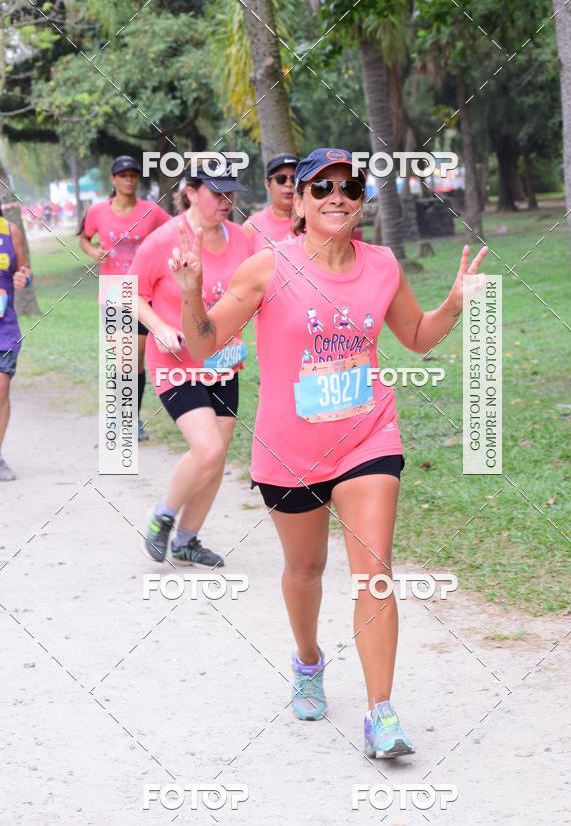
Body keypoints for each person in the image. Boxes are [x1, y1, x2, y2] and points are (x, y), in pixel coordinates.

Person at [170, 147, 489, 757]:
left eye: (350, 187)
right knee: (306, 570)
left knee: (374, 572)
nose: (337, 197)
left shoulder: (383, 265)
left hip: (367, 436)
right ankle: (309, 660)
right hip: (289, 449)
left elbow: (415, 336)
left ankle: (381, 713)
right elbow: (204, 344)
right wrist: (189, 294)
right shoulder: (267, 268)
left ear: (362, 200)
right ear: (300, 201)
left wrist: (453, 305)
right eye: (322, 188)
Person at [130, 163, 253, 566]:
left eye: (230, 193)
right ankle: (162, 515)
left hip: (223, 360)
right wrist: (160, 326)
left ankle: (186, 539)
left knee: (216, 456)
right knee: (208, 447)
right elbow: (128, 294)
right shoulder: (163, 240)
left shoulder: (242, 239)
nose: (226, 201)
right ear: (191, 193)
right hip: (175, 362)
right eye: (217, 193)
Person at [79, 155, 170, 440]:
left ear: (137, 179)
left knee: (135, 358)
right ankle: (117, 416)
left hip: (143, 293)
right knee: (122, 359)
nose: (129, 180)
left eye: (133, 175)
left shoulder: (151, 211)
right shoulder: (97, 211)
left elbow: (174, 232)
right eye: (123, 175)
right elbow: (83, 238)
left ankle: (132, 418)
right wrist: (94, 252)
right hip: (113, 292)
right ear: (113, 179)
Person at [0, 209, 33, 480]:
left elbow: (26, 270)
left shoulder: (11, 232)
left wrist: (24, 278)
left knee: (1, 390)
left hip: (4, 329)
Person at [243, 154, 299, 252]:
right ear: (267, 184)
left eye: (294, 179)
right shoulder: (251, 227)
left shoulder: (312, 222)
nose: (288, 184)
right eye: (281, 179)